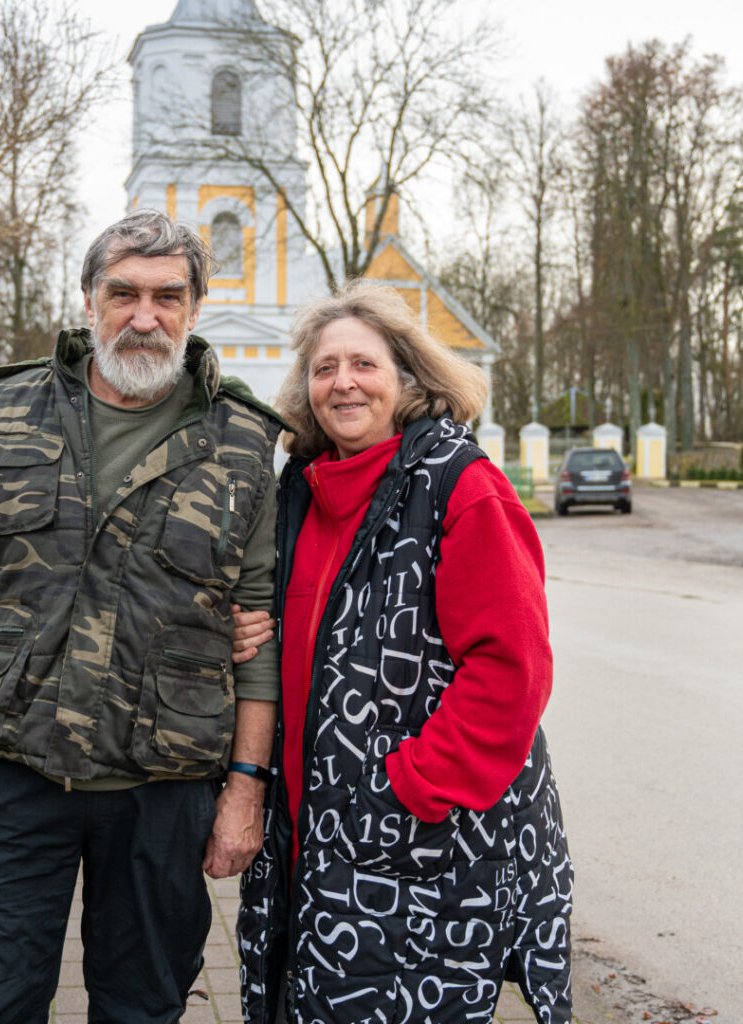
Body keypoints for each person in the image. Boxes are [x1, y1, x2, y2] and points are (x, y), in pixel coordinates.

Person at [0, 210, 285, 1024]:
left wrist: (245, 793)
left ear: (193, 308)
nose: (144, 316)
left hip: (167, 787)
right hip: (12, 772)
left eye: (166, 296)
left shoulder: (246, 443)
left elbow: (259, 634)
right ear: (88, 301)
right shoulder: (8, 415)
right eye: (123, 293)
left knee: (142, 1010)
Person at [235, 282, 573, 1024]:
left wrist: (412, 787)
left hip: (421, 848)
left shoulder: (460, 485)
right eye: (325, 369)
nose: (343, 383)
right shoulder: (298, 492)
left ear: (408, 379)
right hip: (308, 842)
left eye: (364, 364)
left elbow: (512, 670)